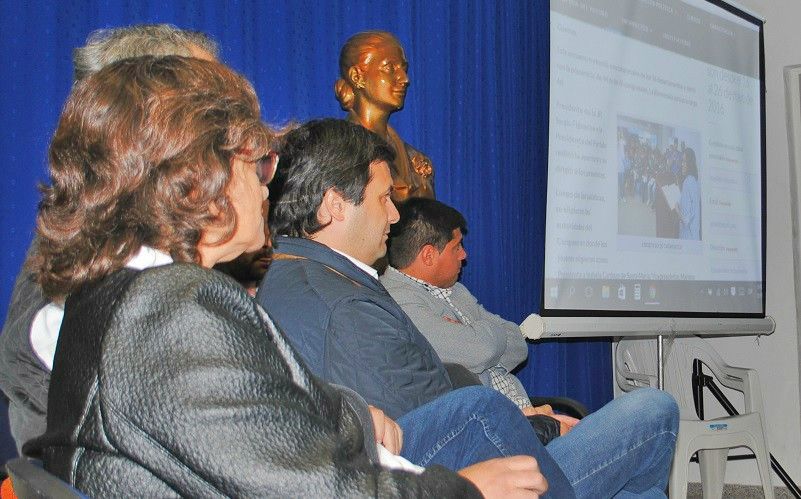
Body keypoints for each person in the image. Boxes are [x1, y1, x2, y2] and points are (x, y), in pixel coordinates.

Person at [22, 55, 570, 498]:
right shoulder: (171, 312)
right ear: (198, 178)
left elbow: (257, 415)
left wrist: (354, 417)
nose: (268, 185)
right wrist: (466, 491)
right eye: (258, 163)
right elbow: (311, 489)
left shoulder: (113, 296)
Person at [260, 118, 680, 498]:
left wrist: (522, 420)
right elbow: (422, 431)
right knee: (653, 410)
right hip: (470, 473)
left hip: (477, 446)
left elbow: (425, 400)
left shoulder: (310, 277)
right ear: (336, 204)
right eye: (384, 198)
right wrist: (536, 426)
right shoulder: (341, 304)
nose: (394, 215)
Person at [0, 24, 218, 453]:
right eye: (212, 113)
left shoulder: (115, 240)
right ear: (142, 126)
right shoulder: (87, 280)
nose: (236, 134)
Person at [335, 30, 434, 202]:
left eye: (404, 69)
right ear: (357, 77)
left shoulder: (415, 161)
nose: (405, 79)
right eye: (389, 68)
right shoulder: (338, 154)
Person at [677, 147, 701, 240]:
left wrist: (676, 208)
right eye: (682, 161)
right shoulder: (692, 180)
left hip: (689, 236)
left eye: (684, 161)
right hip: (691, 234)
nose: (682, 164)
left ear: (690, 163)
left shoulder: (689, 181)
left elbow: (686, 219)